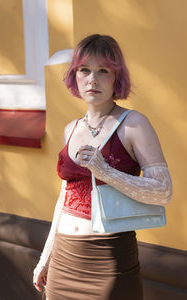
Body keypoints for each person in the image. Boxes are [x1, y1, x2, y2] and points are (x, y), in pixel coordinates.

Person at [33, 34, 172, 300]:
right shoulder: (70, 129)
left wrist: (106, 172)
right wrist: (45, 258)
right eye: (84, 70)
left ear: (116, 78)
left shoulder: (134, 124)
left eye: (103, 71)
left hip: (108, 259)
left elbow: (163, 190)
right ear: (75, 75)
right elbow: (64, 198)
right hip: (64, 259)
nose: (92, 79)